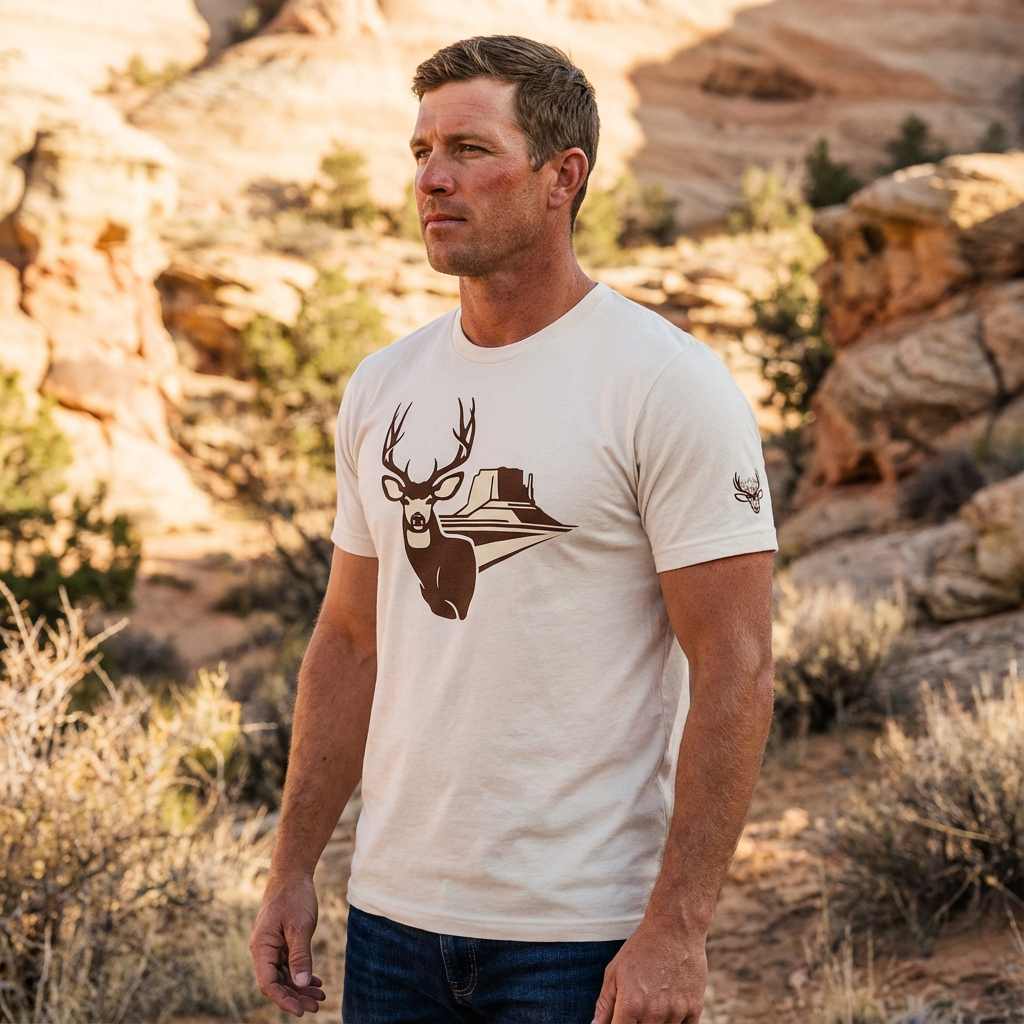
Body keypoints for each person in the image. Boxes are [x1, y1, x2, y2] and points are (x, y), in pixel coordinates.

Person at [249, 35, 777, 1024]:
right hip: (391, 923)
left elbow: (736, 665)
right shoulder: (383, 386)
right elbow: (350, 640)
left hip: (580, 939)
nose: (432, 179)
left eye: (469, 149)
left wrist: (677, 926)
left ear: (561, 177)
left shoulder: (665, 383)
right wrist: (291, 868)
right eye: (421, 152)